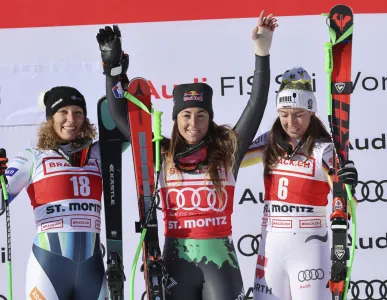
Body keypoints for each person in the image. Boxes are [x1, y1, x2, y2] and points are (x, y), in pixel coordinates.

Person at [96, 10, 278, 300]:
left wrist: (261, 51)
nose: (193, 123)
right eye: (186, 115)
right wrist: (112, 69)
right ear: (176, 119)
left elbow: (257, 103)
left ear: (210, 118)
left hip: (222, 265)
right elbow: (119, 114)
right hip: (175, 262)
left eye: (201, 115)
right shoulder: (161, 152)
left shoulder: (227, 152)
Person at [241, 67, 358, 300]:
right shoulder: (269, 142)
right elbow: (230, 162)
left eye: (298, 114)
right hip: (271, 245)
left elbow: (349, 206)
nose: (290, 122)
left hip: (310, 248)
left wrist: (349, 186)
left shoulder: (323, 149)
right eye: (284, 114)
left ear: (311, 112)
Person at [1, 87, 108, 299]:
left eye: (78, 112)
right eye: (63, 112)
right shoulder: (33, 156)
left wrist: (116, 77)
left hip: (92, 268)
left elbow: (130, 130)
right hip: (48, 267)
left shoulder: (98, 152)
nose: (71, 119)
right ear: (51, 118)